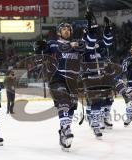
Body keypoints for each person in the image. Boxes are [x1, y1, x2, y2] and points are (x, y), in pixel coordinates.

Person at [46, 22, 82, 151]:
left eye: (68, 29)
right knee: (64, 102)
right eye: (64, 29)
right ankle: (66, 128)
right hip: (57, 78)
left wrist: (91, 26)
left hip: (73, 81)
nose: (66, 31)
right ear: (58, 32)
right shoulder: (53, 44)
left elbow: (90, 47)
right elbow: (48, 52)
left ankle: (63, 133)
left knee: (71, 108)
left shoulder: (77, 45)